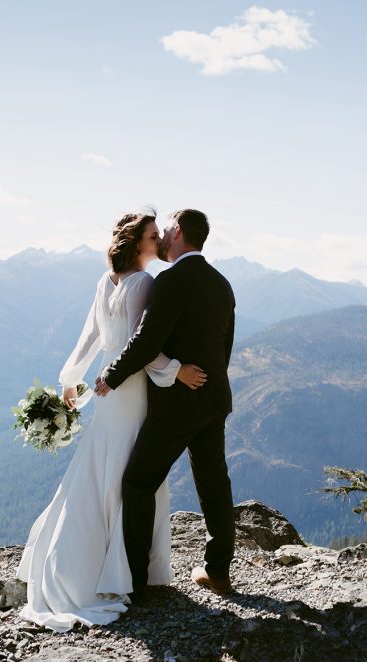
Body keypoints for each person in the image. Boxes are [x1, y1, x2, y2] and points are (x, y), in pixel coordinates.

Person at [16, 211, 207, 631]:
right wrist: (178, 370)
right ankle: (122, 571)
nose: (160, 242)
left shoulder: (107, 281)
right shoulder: (145, 283)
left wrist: (70, 380)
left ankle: (83, 562)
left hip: (106, 390)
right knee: (132, 472)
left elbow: (90, 338)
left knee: (105, 466)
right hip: (131, 389)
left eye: (161, 235)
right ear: (137, 242)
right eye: (154, 236)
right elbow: (144, 346)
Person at [95, 208, 236, 602]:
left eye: (168, 231)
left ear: (180, 234)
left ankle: (137, 583)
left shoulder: (171, 281)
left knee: (138, 482)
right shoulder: (222, 284)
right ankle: (218, 572)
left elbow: (145, 341)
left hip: (177, 404)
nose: (163, 238)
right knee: (213, 483)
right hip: (213, 398)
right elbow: (222, 348)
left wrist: (112, 375)